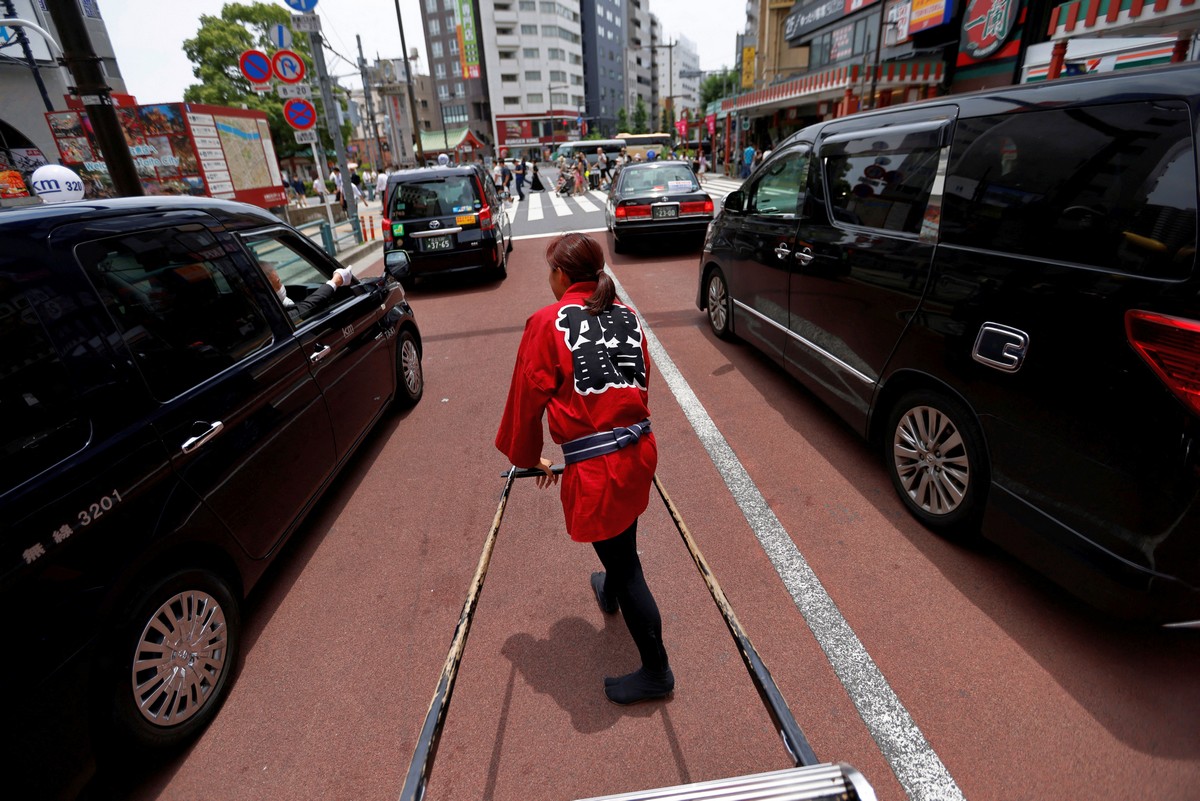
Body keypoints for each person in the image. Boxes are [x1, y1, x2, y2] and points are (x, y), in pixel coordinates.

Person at [495, 232, 672, 706]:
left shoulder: (547, 322)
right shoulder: (626, 315)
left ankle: (657, 670)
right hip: (639, 449)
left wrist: (526, 454)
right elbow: (639, 382)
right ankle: (609, 591)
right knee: (621, 534)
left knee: (625, 561)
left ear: (561, 275)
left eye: (549, 271)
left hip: (599, 466)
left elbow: (525, 400)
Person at [260, 261, 355, 323]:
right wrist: (335, 282)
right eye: (278, 282)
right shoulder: (266, 318)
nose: (281, 286)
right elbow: (304, 309)